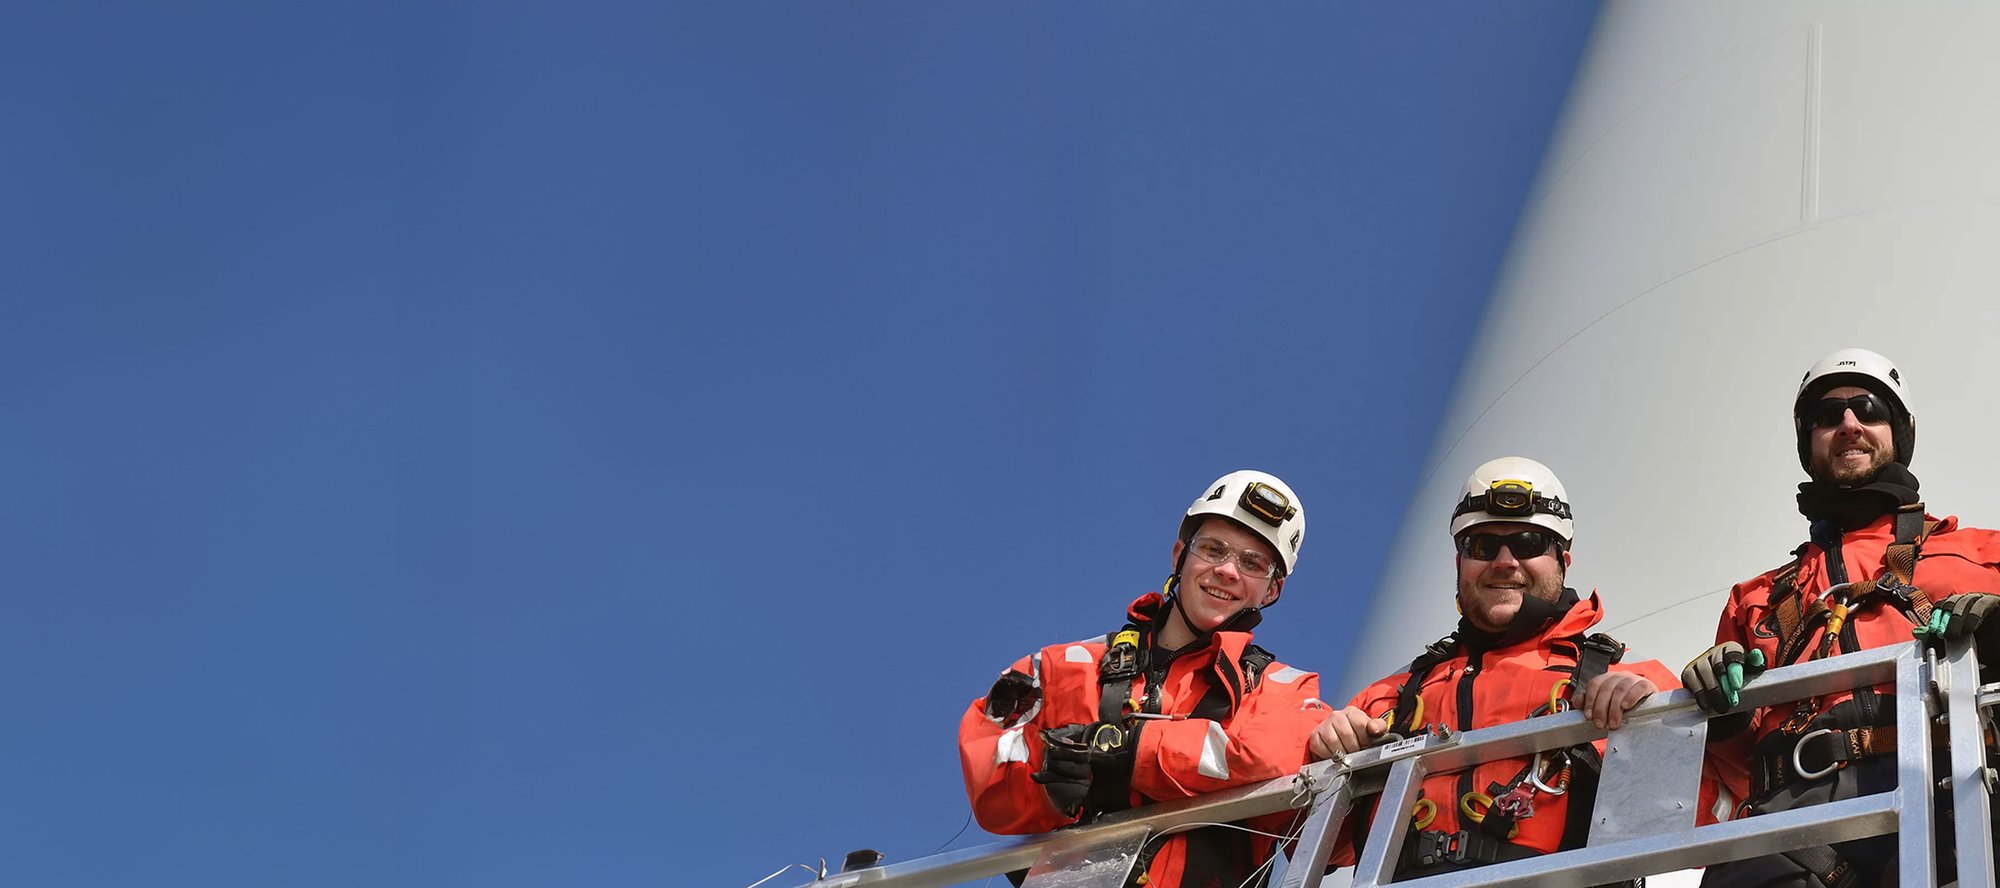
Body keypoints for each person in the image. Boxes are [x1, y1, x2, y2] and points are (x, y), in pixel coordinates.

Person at [1684, 348, 2000, 887]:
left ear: (1897, 432)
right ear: (1809, 443)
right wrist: (1723, 714)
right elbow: (1735, 772)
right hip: (1794, 827)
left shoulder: (1983, 555)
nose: (1849, 425)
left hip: (1953, 791)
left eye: (1869, 409)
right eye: (1828, 418)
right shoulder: (1755, 599)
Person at [1308, 456, 1678, 880]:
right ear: (1459, 563)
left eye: (1527, 543)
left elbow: (1703, 808)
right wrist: (1323, 754)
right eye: (1482, 546)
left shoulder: (1627, 677)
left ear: (1562, 561)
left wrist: (1658, 719)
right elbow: (1307, 842)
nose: (1504, 561)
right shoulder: (1390, 697)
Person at [958, 470, 1330, 888]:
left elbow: (1272, 761)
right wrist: (1049, 788)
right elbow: (990, 769)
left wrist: (1127, 751)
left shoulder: (1286, 690)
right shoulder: (1064, 666)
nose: (1227, 570)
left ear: (1271, 591)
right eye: (1213, 549)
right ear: (1179, 555)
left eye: (1252, 563)